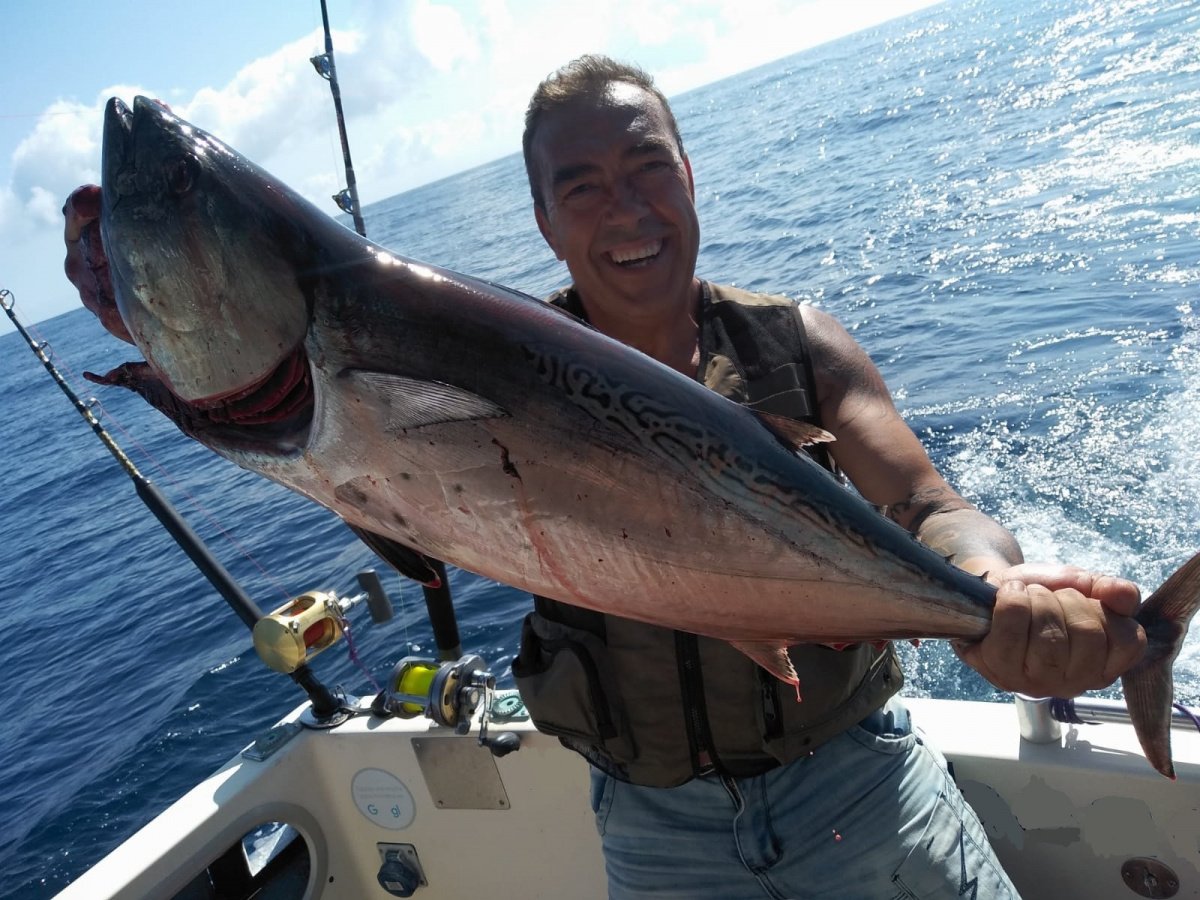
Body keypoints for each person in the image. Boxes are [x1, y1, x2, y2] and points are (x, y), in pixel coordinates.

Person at [62, 57, 1145, 899]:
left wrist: (993, 594)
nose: (622, 210)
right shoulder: (489, 346)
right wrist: (184, 344)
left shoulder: (797, 344)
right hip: (652, 830)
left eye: (646, 170)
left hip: (859, 785)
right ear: (540, 220)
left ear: (690, 177)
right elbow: (366, 479)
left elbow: (926, 505)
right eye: (579, 186)